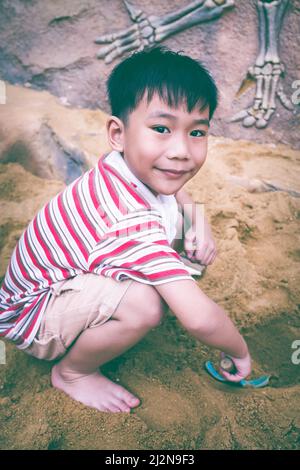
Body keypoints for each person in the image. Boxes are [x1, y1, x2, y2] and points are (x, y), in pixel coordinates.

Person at [0, 46, 251, 413]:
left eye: (197, 132)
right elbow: (199, 318)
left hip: (69, 278)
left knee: (181, 238)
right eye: (161, 129)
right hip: (32, 316)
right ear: (117, 134)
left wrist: (199, 220)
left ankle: (145, 290)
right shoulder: (125, 217)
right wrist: (239, 351)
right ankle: (72, 373)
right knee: (144, 306)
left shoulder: (129, 165)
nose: (181, 150)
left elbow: (177, 185)